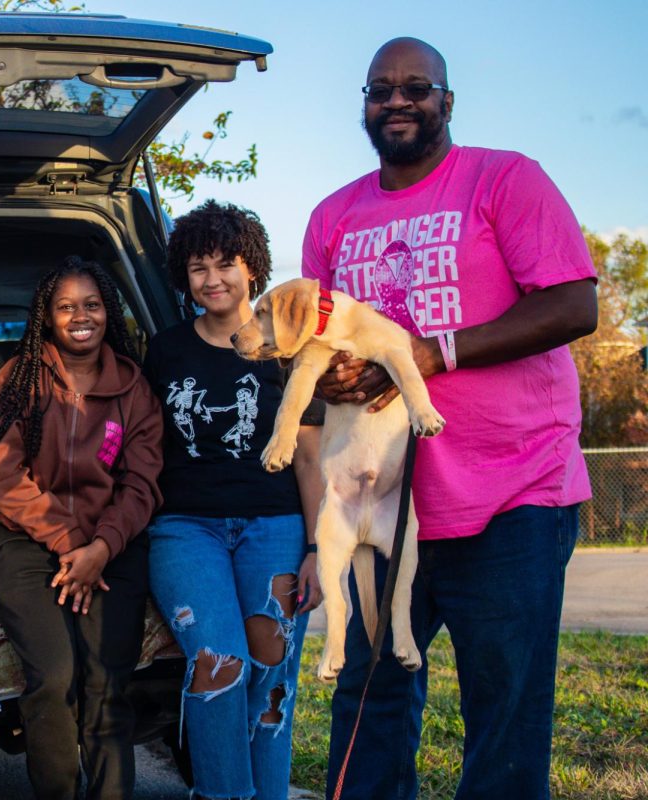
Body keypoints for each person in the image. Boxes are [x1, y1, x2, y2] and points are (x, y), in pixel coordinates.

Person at [302, 37, 598, 800]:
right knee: (367, 701)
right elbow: (310, 340)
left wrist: (432, 355)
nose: (397, 101)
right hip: (384, 507)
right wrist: (328, 378)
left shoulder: (505, 179)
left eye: (415, 87)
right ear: (363, 105)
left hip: (510, 497)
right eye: (379, 89)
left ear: (447, 101)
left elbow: (573, 303)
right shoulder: (333, 215)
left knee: (503, 717)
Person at [143, 200, 324, 800]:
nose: (213, 279)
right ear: (184, 277)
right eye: (198, 267)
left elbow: (309, 454)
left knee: (272, 668)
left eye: (226, 263)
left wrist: (319, 547)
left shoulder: (293, 351)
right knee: (219, 663)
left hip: (275, 526)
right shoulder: (164, 351)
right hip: (184, 528)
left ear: (253, 268)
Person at [0, 257, 164, 800]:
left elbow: (141, 484)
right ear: (46, 317)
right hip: (28, 546)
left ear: (108, 311)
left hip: (113, 551)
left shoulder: (136, 390)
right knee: (53, 680)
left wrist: (101, 546)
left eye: (92, 304)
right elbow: (0, 474)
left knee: (106, 686)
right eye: (66, 306)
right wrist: (72, 542)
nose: (81, 316)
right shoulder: (21, 378)